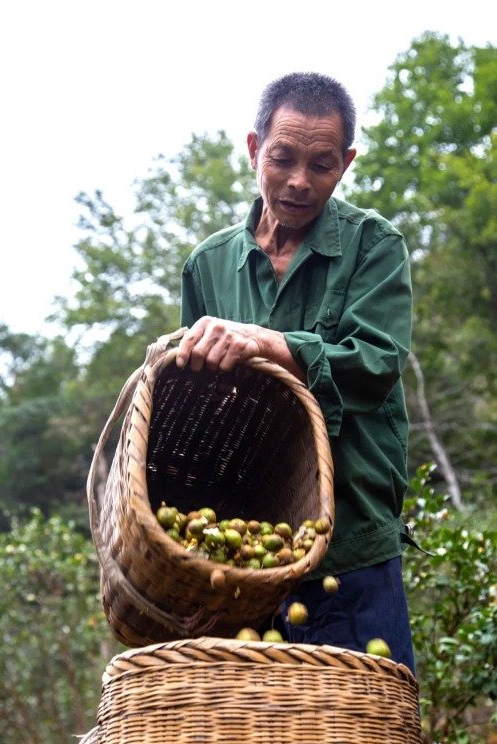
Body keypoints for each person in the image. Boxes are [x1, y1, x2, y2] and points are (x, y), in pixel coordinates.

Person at [176, 72, 416, 673]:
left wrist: (271, 343)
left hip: (351, 543)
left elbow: (377, 362)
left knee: (369, 743)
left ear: (346, 164)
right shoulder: (209, 265)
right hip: (246, 553)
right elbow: (192, 404)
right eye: (282, 159)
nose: (299, 182)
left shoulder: (374, 247)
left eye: (322, 164)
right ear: (256, 149)